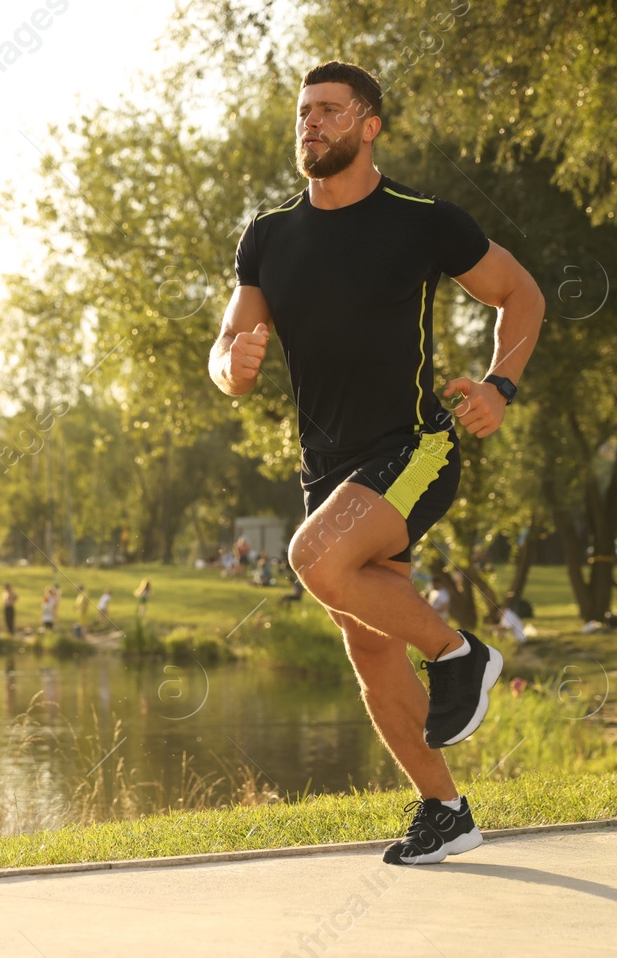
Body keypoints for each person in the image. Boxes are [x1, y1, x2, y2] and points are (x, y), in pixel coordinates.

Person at [210, 60, 544, 865]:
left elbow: (521, 293)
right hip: (326, 471)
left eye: (328, 111)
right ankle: (446, 808)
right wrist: (237, 366)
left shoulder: (421, 219)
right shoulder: (269, 235)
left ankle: (465, 654)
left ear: (369, 126)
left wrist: (500, 385)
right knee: (368, 649)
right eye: (302, 114)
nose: (310, 125)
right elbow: (225, 350)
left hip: (413, 448)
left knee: (312, 558)